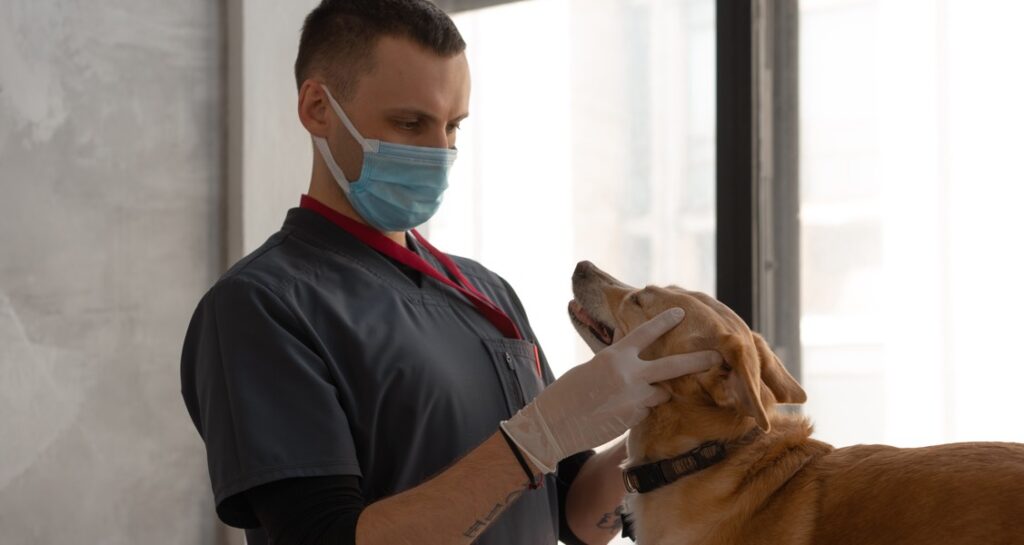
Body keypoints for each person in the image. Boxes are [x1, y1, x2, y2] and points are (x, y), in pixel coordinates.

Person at [180, 1, 720, 544]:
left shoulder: (485, 292)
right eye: (410, 123)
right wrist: (536, 438)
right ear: (318, 107)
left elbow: (575, 517)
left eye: (453, 126)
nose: (440, 152)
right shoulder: (262, 306)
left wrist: (661, 416)